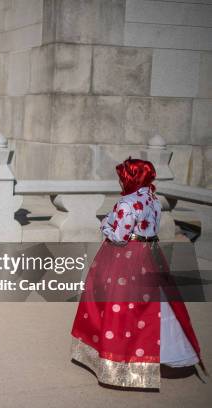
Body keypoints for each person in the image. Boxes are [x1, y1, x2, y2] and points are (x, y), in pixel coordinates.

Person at [70, 158, 204, 389]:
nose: (120, 180)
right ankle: (165, 355)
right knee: (155, 306)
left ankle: (120, 361)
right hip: (150, 253)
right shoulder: (153, 199)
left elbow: (120, 237)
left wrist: (104, 226)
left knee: (116, 305)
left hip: (124, 258)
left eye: (122, 176)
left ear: (130, 177)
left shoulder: (127, 203)